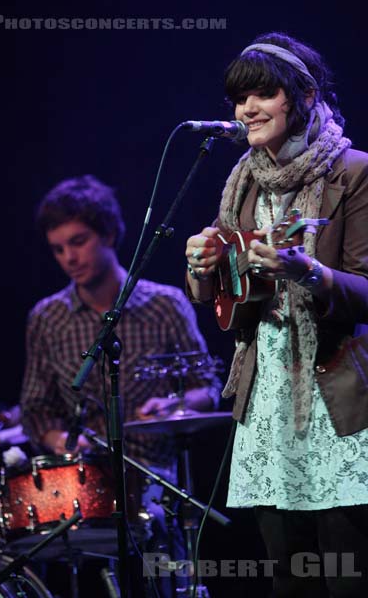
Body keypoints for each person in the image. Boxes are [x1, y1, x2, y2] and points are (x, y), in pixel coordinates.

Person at [185, 32, 368, 598]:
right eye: (239, 99)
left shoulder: (352, 172)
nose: (246, 110)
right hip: (265, 397)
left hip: (335, 393)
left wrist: (307, 272)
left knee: (345, 576)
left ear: (306, 96)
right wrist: (202, 265)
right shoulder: (242, 181)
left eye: (263, 94)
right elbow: (219, 299)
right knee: (287, 579)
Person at [20, 174, 221, 597]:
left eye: (78, 241)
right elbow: (36, 409)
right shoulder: (46, 318)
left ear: (109, 233)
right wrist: (61, 442)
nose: (69, 258)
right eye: (58, 249)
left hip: (154, 482)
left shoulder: (165, 303)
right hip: (81, 491)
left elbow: (209, 388)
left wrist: (172, 406)